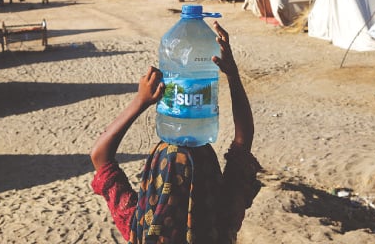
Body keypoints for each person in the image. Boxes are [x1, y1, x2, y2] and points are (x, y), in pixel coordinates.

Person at [91, 22, 260, 243]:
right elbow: (242, 142)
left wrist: (140, 101)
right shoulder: (220, 220)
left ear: (152, 184)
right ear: (209, 180)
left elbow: (100, 156)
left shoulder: (140, 228)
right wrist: (233, 75)